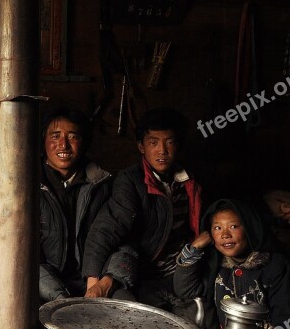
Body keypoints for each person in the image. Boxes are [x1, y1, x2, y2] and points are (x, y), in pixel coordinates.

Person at [81, 107, 203, 315]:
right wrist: (93, 282)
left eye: (169, 142)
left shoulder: (191, 181)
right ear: (141, 146)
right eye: (153, 142)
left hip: (182, 269)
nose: (162, 150)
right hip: (140, 271)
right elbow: (107, 227)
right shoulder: (131, 180)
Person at [174, 199, 290, 329]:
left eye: (234, 226)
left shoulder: (274, 267)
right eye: (217, 228)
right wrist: (194, 249)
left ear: (250, 228)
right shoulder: (217, 267)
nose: (225, 235)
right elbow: (185, 289)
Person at [38, 106, 134, 301]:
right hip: (43, 283)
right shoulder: (26, 185)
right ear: (43, 141)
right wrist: (59, 297)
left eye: (72, 136)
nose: (63, 145)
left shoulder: (102, 184)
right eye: (55, 136)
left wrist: (108, 280)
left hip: (93, 279)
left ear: (84, 142)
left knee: (126, 308)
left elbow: (123, 240)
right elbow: (20, 256)